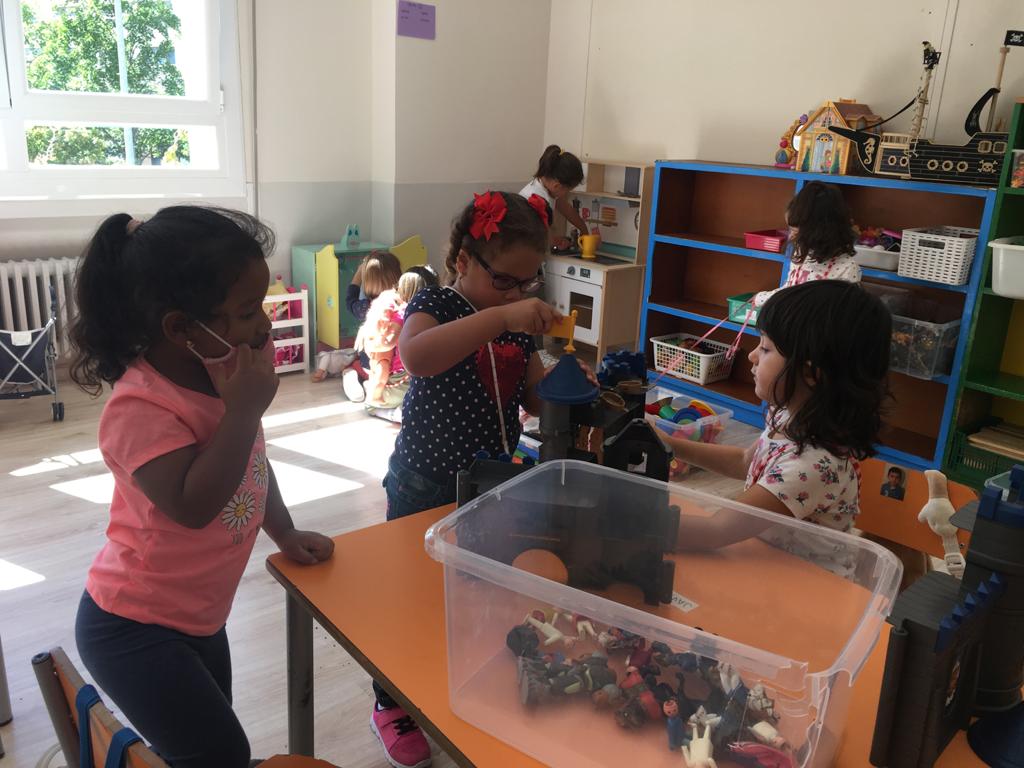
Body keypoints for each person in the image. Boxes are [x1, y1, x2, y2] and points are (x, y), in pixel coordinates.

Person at [69, 207, 335, 768]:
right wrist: (242, 413)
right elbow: (193, 506)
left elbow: (251, 466)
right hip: (132, 626)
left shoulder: (223, 378)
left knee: (206, 750)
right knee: (221, 753)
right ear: (181, 328)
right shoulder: (141, 407)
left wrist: (284, 532)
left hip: (199, 616)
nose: (264, 325)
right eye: (246, 312)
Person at [369, 190, 584, 768]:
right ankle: (390, 703)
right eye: (505, 280)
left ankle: (461, 672)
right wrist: (499, 318)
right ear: (464, 260)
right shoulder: (438, 304)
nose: (516, 293)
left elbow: (533, 397)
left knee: (476, 589)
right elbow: (416, 357)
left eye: (527, 282)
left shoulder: (515, 323)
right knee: (412, 595)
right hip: (425, 481)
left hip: (490, 487)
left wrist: (566, 381)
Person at [659, 280, 891, 574]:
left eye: (766, 348)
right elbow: (746, 462)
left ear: (810, 373)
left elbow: (717, 531)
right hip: (767, 563)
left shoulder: (812, 465)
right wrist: (672, 444)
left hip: (806, 587)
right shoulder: (787, 416)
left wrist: (629, 526)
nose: (752, 355)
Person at [752, 181, 861, 308]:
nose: (791, 237)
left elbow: (842, 314)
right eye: (791, 229)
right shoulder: (801, 252)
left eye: (795, 232)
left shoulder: (847, 269)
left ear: (821, 233)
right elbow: (789, 291)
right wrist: (762, 298)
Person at [355, 270, 429, 407]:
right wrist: (372, 344)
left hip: (396, 367)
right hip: (397, 369)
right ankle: (374, 398)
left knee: (378, 376)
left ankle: (371, 393)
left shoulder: (393, 305)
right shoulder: (403, 313)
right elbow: (388, 342)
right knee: (379, 377)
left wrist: (369, 343)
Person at [343, 250, 402, 402]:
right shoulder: (402, 305)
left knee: (355, 366)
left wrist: (358, 274)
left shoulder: (366, 307)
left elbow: (350, 299)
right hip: (398, 371)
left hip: (369, 366)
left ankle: (352, 376)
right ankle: (369, 385)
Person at [520, 144, 595, 245]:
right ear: (557, 186)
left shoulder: (545, 187)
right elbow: (538, 235)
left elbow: (566, 208)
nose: (567, 194)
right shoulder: (536, 199)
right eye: (568, 190)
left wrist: (584, 230)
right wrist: (557, 242)